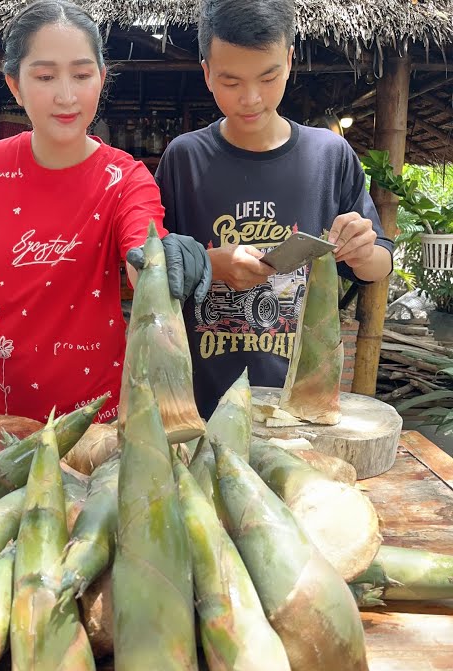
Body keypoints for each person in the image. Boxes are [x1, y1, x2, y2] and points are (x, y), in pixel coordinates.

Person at [0, 0, 211, 425]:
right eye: (44, 76)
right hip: (7, 414)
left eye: (81, 75)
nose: (66, 95)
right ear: (15, 86)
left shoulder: (125, 177)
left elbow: (143, 256)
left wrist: (167, 258)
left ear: (101, 80)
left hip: (103, 417)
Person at [155, 0, 395, 420]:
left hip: (302, 408)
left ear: (288, 61)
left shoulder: (330, 155)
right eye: (230, 82)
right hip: (199, 407)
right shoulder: (184, 157)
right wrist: (210, 265)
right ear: (207, 71)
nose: (250, 99)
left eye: (268, 77)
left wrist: (361, 250)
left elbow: (377, 266)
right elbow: (152, 271)